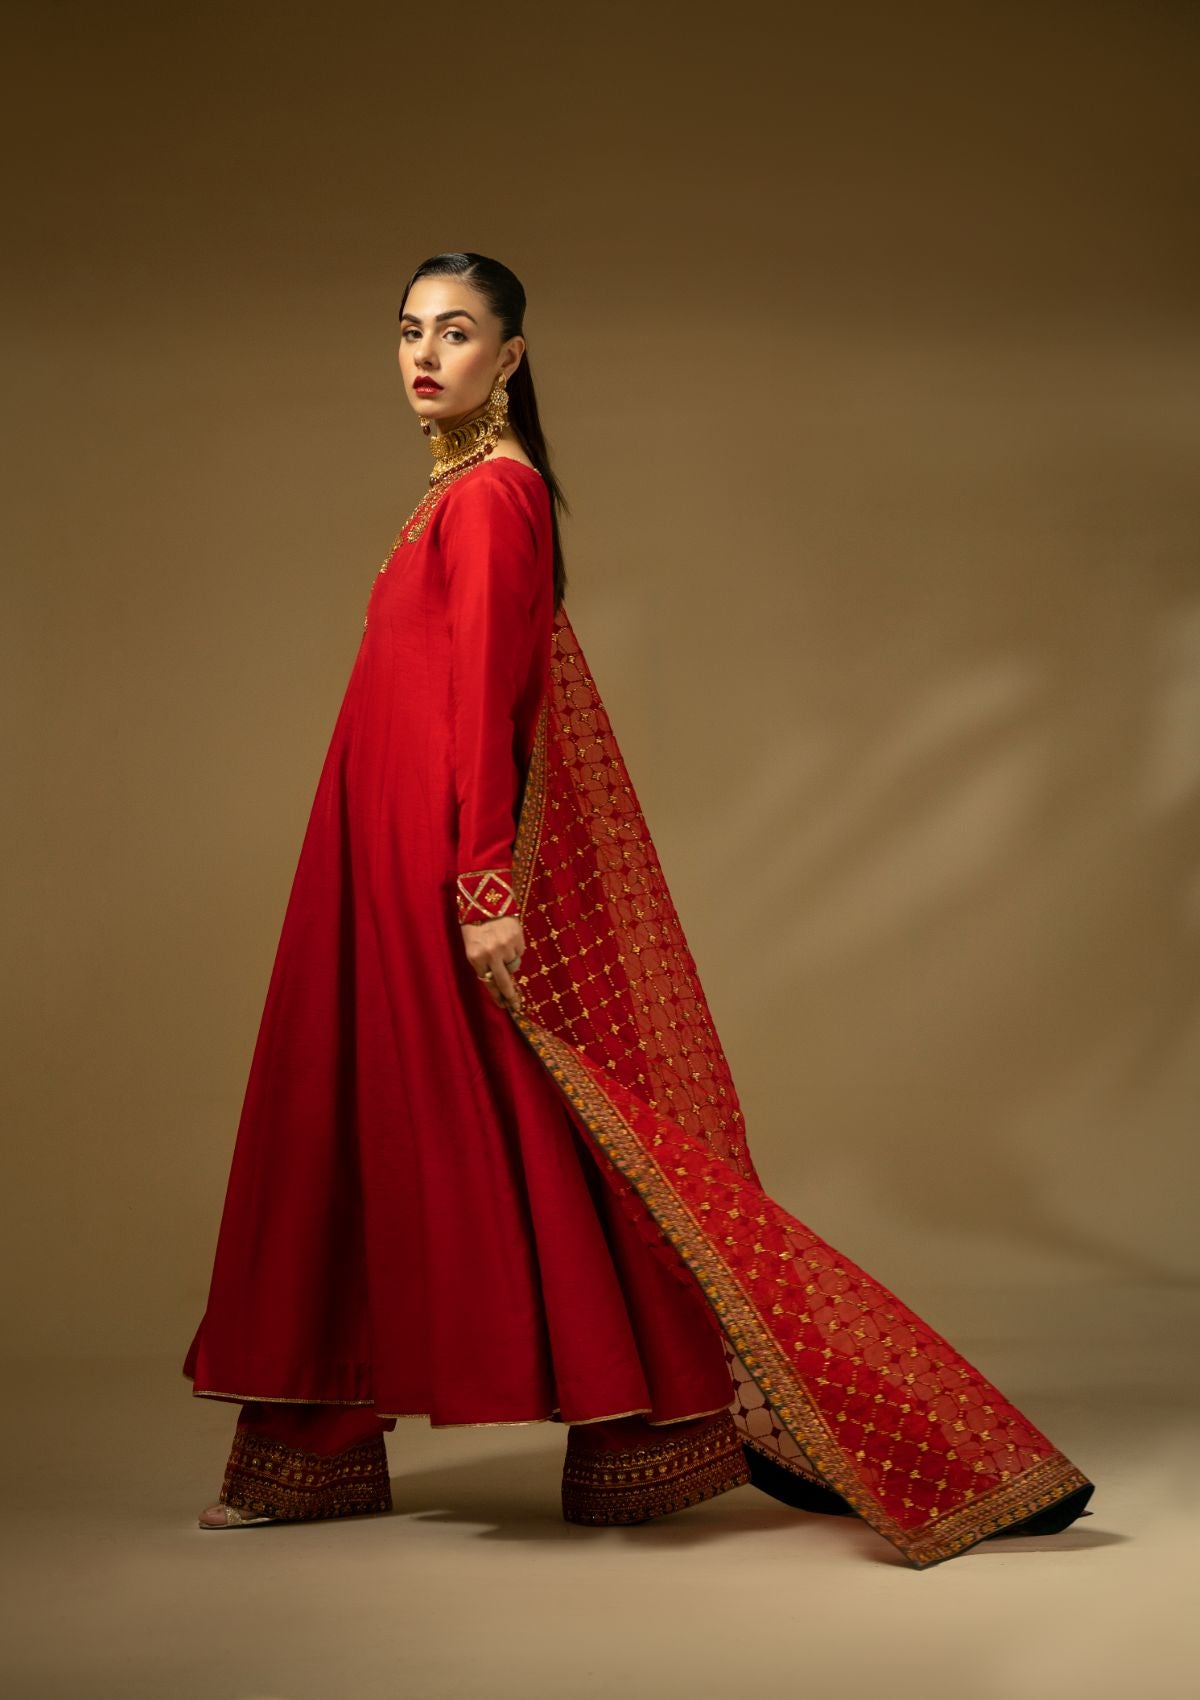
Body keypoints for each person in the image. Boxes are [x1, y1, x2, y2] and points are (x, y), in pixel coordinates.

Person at [184, 252, 1093, 1567]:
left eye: (456, 332)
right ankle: (533, 1445)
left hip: (432, 864)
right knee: (357, 1128)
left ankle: (652, 1421)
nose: (424, 355)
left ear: (510, 356)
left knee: (531, 1134)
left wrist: (484, 884)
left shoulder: (495, 498)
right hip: (366, 857)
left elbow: (484, 705)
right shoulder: (451, 496)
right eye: (409, 330)